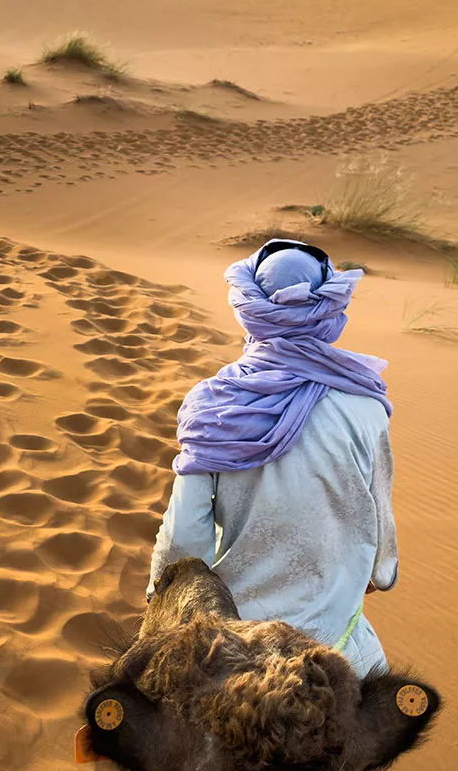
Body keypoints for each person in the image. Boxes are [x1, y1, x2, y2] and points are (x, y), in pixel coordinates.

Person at [148, 238, 398, 675]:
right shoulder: (366, 406)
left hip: (232, 645)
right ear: (329, 309)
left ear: (249, 308)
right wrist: (381, 573)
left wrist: (161, 594)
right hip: (336, 639)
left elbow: (185, 537)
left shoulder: (214, 406)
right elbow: (379, 515)